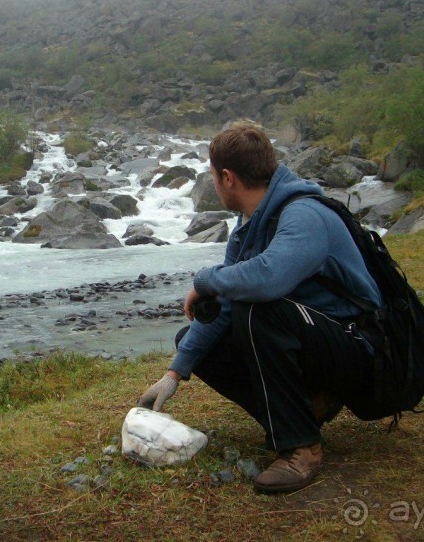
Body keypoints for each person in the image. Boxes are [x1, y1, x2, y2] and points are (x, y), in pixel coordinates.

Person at [137, 125, 384, 493]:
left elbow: (268, 280)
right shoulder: (250, 224)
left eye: (212, 175)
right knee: (195, 339)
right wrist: (175, 373)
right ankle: (307, 409)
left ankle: (302, 447)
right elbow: (224, 304)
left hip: (359, 346)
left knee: (258, 310)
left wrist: (205, 279)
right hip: (317, 340)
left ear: (226, 177)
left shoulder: (303, 214)